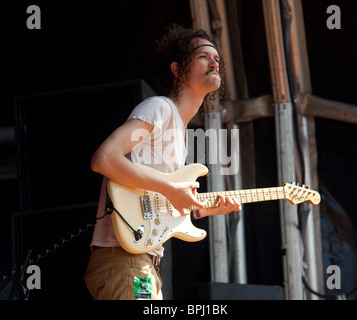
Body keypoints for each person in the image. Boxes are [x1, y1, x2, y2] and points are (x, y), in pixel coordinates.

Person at [84, 24, 241, 300]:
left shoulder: (180, 132)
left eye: (217, 58)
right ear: (178, 69)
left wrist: (201, 209)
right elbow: (104, 158)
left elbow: (154, 204)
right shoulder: (160, 109)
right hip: (126, 262)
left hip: (141, 265)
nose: (214, 61)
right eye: (204, 55)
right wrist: (171, 190)